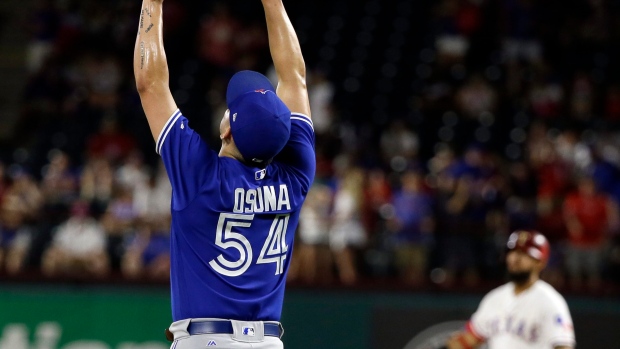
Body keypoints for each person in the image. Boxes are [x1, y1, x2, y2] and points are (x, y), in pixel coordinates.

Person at [133, 0, 314, 348]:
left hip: (207, 339)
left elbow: (149, 83)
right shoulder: (298, 173)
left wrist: (152, 3)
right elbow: (295, 77)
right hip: (267, 341)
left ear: (227, 130)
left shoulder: (200, 175)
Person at [445, 230, 575, 349]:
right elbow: (470, 338)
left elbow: (563, 346)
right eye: (512, 252)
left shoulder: (550, 301)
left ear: (540, 262)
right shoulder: (494, 298)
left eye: (524, 254)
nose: (515, 258)